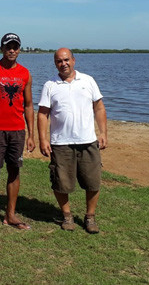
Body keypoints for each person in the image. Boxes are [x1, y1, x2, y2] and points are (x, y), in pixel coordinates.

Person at [37, 48, 108, 234]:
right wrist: (43, 139)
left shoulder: (88, 81)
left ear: (74, 60)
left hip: (88, 141)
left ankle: (90, 217)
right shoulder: (50, 85)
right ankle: (67, 215)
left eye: (66, 60)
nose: (63, 64)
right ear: (55, 64)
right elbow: (43, 114)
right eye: (59, 61)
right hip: (61, 142)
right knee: (61, 182)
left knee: (93, 181)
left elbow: (99, 108)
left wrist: (103, 133)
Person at [0, 33, 35, 232]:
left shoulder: (25, 73)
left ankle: (11, 214)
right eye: (8, 47)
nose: (12, 50)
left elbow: (29, 105)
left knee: (14, 171)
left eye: (15, 47)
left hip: (17, 130)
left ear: (19, 49)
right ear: (2, 48)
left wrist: (31, 134)